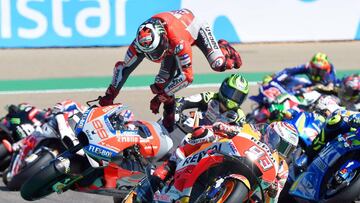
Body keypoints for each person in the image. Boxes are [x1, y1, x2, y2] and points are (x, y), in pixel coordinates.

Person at [98, 8, 242, 131]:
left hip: (193, 28)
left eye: (156, 50)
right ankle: (169, 121)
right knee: (160, 84)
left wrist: (159, 97)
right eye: (149, 53)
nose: (154, 56)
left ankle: (223, 48)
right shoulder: (138, 44)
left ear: (163, 38)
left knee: (219, 64)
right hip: (171, 42)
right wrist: (109, 96)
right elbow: (123, 68)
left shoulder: (178, 40)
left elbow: (187, 77)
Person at [133, 121, 299, 203]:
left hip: (252, 184)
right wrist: (223, 128)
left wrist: (272, 191)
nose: (282, 150)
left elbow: (274, 199)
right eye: (281, 143)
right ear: (271, 134)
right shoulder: (255, 132)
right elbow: (236, 130)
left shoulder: (281, 168)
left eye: (288, 148)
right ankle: (159, 179)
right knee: (195, 140)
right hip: (226, 158)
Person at [175, 73, 249, 127]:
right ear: (224, 87)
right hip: (193, 135)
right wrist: (177, 110)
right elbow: (183, 101)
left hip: (214, 145)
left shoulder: (239, 116)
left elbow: (242, 134)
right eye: (231, 93)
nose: (233, 98)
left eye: (238, 97)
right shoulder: (209, 97)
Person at [268, 52, 337, 94]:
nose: (318, 72)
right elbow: (288, 71)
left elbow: (330, 87)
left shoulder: (330, 70)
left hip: (326, 91)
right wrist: (275, 77)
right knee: (292, 81)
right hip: (311, 87)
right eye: (315, 69)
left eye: (321, 70)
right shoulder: (307, 66)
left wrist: (326, 86)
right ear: (311, 66)